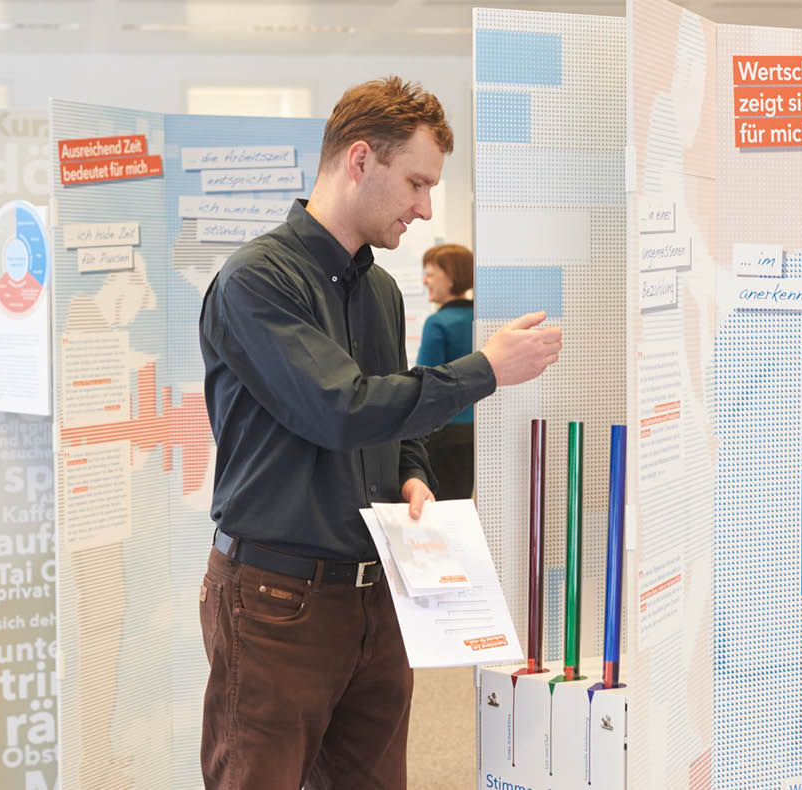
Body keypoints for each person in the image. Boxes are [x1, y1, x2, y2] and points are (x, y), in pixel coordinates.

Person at [197, 76, 562, 788]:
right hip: (277, 602)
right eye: (417, 184)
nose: (426, 208)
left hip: (378, 598)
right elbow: (341, 408)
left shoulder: (381, 290)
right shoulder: (256, 281)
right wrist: (485, 369)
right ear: (360, 160)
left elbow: (396, 421)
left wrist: (412, 473)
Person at [417, 243, 476, 500]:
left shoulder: (438, 323)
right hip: (473, 432)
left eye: (430, 274)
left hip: (443, 434)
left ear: (451, 276)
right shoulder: (480, 318)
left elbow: (426, 384)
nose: (425, 281)